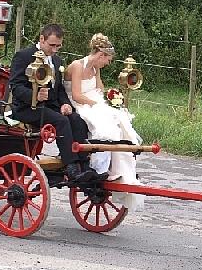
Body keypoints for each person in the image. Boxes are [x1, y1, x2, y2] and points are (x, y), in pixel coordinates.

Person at [8, 24, 101, 184]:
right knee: (61, 121)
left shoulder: (57, 61)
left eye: (58, 46)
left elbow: (59, 89)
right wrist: (35, 96)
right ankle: (71, 166)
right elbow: (15, 87)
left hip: (50, 107)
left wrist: (65, 104)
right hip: (27, 108)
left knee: (77, 119)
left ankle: (84, 165)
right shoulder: (23, 56)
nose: (55, 49)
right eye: (52, 45)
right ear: (42, 39)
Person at [64, 33, 144, 211]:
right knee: (105, 126)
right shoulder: (77, 66)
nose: (108, 63)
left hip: (92, 102)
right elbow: (76, 95)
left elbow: (99, 88)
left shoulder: (95, 69)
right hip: (78, 104)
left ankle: (119, 170)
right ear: (101, 55)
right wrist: (96, 104)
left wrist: (110, 97)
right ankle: (99, 168)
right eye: (107, 60)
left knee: (119, 121)